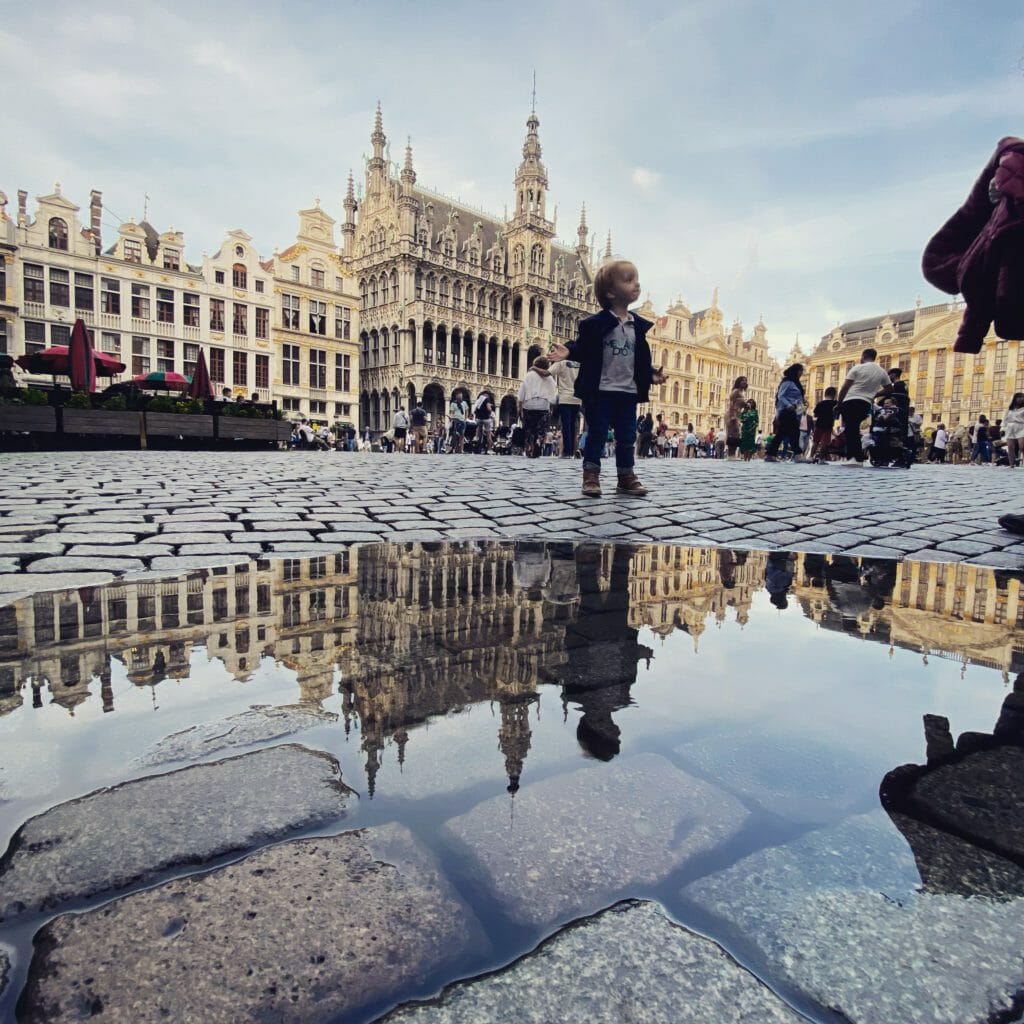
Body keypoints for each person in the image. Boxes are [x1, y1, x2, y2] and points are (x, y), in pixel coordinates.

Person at [548, 259, 665, 497]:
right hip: (600, 391)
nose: (636, 284)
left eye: (636, 279)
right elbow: (585, 346)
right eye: (628, 280)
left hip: (627, 391)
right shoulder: (597, 324)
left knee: (627, 436)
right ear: (611, 292)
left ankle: (626, 475)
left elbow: (639, 358)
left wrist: (650, 374)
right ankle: (591, 475)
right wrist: (569, 351)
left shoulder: (636, 326)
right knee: (597, 434)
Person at [836, 348, 892, 465]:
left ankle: (853, 458)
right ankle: (858, 458)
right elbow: (889, 388)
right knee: (855, 428)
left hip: (850, 400)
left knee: (851, 429)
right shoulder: (881, 371)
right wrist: (875, 394)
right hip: (865, 403)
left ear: (863, 357)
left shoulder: (857, 368)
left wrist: (839, 403)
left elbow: (845, 387)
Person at [764, 364, 806, 462]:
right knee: (794, 432)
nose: (801, 373)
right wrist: (788, 405)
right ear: (796, 371)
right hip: (787, 412)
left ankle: (770, 454)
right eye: (800, 371)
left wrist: (801, 412)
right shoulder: (787, 382)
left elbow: (799, 399)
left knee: (782, 434)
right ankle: (798, 455)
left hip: (794, 412)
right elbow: (781, 395)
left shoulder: (796, 383)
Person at [517, 355, 557, 458]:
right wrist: (550, 402)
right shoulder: (549, 377)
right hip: (543, 406)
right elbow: (553, 392)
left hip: (529, 405)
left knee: (529, 428)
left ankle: (530, 446)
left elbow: (522, 390)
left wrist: (520, 405)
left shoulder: (529, 375)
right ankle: (539, 443)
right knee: (541, 429)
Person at [548, 358, 582, 459]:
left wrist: (535, 368)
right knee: (573, 425)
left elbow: (548, 372)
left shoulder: (561, 362)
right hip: (577, 397)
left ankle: (567, 452)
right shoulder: (580, 362)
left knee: (566, 425)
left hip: (565, 398)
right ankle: (573, 451)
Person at [810, 386, 838, 461]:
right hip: (828, 426)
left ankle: (811, 457)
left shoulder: (820, 403)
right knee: (825, 443)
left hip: (819, 425)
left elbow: (815, 414)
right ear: (834, 395)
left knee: (815, 442)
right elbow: (837, 414)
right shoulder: (835, 403)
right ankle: (821, 459)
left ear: (825, 394)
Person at [725, 376, 748, 458]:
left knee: (736, 434)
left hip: (737, 414)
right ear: (738, 382)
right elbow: (731, 404)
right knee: (733, 434)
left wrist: (745, 405)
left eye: (745, 381)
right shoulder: (736, 391)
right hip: (733, 414)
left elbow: (740, 403)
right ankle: (731, 454)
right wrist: (732, 417)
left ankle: (732, 454)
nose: (744, 382)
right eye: (742, 380)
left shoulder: (740, 392)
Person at [1003, 393, 1024, 468]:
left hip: (1021, 426)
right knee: (1010, 446)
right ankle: (1012, 464)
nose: (1020, 399)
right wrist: (1002, 428)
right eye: (1018, 397)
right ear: (1015, 398)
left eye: (1022, 397)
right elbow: (1005, 419)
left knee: (1022, 446)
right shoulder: (1010, 408)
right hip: (1010, 427)